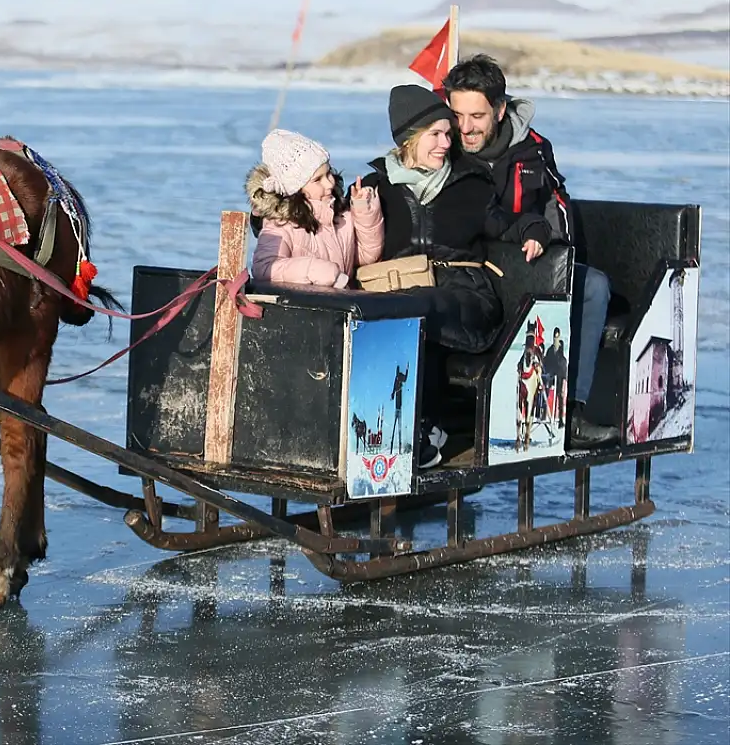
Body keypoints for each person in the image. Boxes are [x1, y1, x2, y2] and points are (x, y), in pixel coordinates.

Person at [444, 55, 617, 449]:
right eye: (457, 115)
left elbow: (559, 205)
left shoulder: (534, 149)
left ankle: (571, 412)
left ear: (500, 109)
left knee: (593, 287)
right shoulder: (443, 147)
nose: (465, 128)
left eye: (477, 116)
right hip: (469, 270)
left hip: (527, 264)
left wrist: (558, 256)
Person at [359, 84, 505, 469]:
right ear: (409, 139)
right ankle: (368, 427)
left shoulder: (471, 181)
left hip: (466, 295)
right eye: (435, 134)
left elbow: (507, 223)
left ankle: (421, 429)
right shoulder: (377, 186)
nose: (446, 143)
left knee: (417, 307)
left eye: (447, 133)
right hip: (402, 291)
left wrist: (535, 230)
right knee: (388, 310)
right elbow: (335, 229)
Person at [247, 129, 384, 288]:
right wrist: (315, 270)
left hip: (341, 305)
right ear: (295, 189)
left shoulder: (340, 215)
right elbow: (264, 268)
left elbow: (366, 256)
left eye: (328, 174)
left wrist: (362, 209)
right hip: (304, 308)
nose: (329, 183)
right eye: (317, 180)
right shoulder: (280, 224)